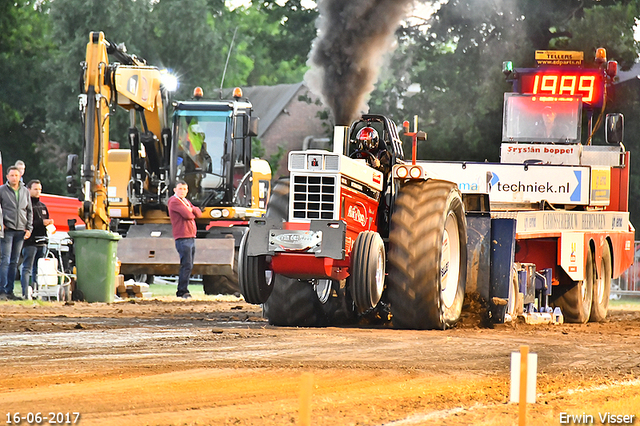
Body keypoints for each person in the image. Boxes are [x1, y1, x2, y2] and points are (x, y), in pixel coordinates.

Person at [0, 166, 33, 300]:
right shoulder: (2, 190)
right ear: (7, 177)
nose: (14, 178)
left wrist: (29, 228)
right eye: (12, 175)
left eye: (16, 175)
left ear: (20, 177)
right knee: (5, 260)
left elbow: (29, 211)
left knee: (14, 262)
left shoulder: (25, 191)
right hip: (7, 230)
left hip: (20, 230)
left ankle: (10, 291)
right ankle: (1, 290)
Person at [167, 180, 202, 299]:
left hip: (191, 236)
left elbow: (199, 213)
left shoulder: (185, 201)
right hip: (182, 237)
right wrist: (192, 211)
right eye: (180, 189)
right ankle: (182, 291)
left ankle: (183, 289)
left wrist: (192, 210)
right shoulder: (174, 201)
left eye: (185, 189)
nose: (182, 191)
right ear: (174, 190)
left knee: (189, 265)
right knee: (186, 264)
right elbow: (188, 215)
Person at [20, 180, 53, 299]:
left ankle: (37, 292)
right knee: (27, 267)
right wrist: (41, 223)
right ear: (29, 190)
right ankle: (25, 292)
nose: (38, 191)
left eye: (39, 189)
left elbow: (45, 221)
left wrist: (49, 224)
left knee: (39, 270)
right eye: (35, 189)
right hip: (30, 242)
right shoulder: (26, 205)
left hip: (42, 241)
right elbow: (26, 222)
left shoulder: (42, 206)